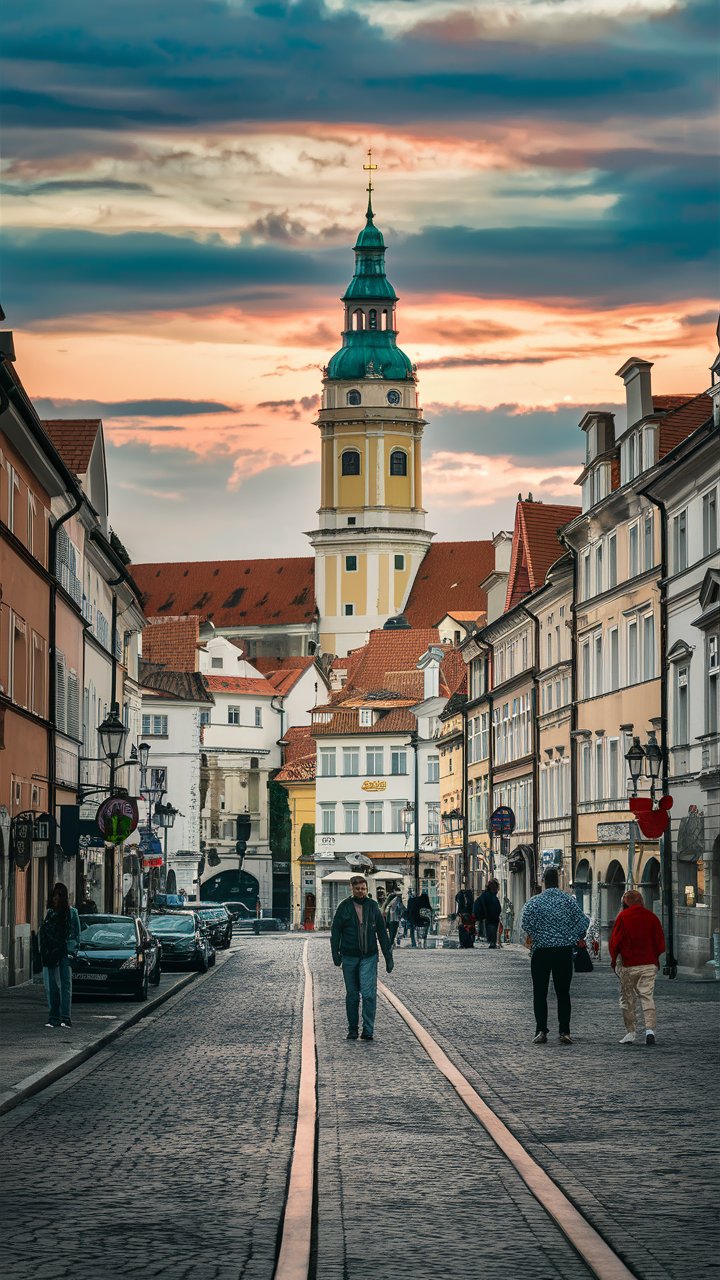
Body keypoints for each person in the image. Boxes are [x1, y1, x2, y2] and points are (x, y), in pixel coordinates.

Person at [519, 868, 589, 1045]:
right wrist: (572, 936)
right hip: (563, 951)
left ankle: (541, 1030)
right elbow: (583, 922)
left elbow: (525, 922)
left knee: (540, 992)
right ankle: (564, 1031)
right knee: (563, 992)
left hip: (541, 952)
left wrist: (537, 935)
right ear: (558, 881)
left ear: (544, 881)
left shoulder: (535, 902)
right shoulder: (568, 900)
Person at [331, 874, 394, 1041]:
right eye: (358, 889)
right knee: (352, 995)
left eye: (364, 889)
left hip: (369, 956)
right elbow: (335, 932)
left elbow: (382, 933)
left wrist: (388, 957)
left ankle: (368, 1031)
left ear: (367, 889)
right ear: (352, 889)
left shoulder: (373, 906)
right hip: (349, 956)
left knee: (368, 994)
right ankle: (352, 1029)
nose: (361, 892)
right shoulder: (344, 907)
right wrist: (335, 954)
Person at [609, 889, 666, 1045]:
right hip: (649, 963)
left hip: (629, 965)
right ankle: (650, 1031)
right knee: (647, 997)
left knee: (627, 999)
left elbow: (615, 943)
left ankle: (631, 1032)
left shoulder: (623, 917)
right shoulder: (652, 917)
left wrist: (615, 961)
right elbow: (660, 943)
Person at [39, 883, 80, 1029]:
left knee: (65, 985)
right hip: (51, 953)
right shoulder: (50, 913)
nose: (55, 898)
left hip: (64, 953)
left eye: (58, 895)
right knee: (51, 986)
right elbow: (44, 933)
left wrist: (71, 951)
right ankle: (53, 1017)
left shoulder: (71, 913)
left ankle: (65, 1018)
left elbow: (76, 934)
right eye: (54, 895)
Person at [474, 879, 502, 948]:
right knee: (492, 929)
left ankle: (493, 943)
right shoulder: (487, 895)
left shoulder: (489, 895)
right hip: (490, 917)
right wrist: (484, 914)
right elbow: (480, 904)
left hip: (493, 917)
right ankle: (492, 943)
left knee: (493, 929)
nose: (496, 890)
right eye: (494, 887)